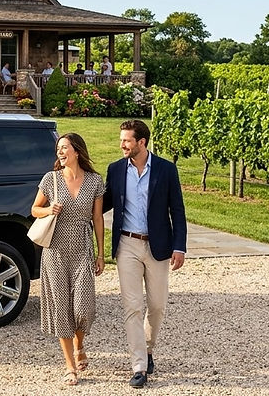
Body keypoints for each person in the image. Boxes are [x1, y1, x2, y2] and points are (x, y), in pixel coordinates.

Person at [102, 120, 187, 388]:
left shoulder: (166, 169)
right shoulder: (115, 170)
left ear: (142, 142)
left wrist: (179, 245)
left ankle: (148, 348)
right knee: (132, 307)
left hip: (158, 246)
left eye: (127, 140)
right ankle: (139, 366)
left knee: (157, 306)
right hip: (127, 244)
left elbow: (178, 210)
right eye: (121, 140)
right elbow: (103, 204)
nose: (122, 145)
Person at [30, 133, 106, 386]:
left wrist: (101, 253)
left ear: (77, 151)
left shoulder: (95, 181)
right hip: (55, 251)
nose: (60, 153)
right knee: (61, 309)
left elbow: (98, 218)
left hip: (82, 249)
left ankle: (80, 344)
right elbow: (34, 210)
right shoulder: (50, 180)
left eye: (64, 148)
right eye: (58, 149)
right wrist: (48, 209)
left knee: (84, 308)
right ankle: (69, 365)